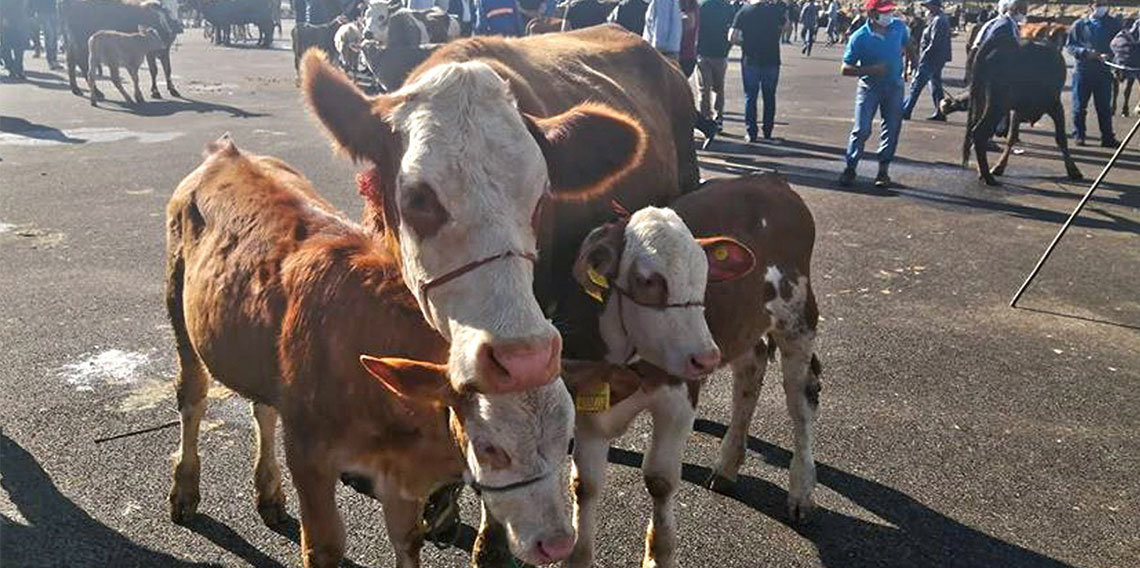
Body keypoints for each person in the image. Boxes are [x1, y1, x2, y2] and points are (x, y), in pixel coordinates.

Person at [838, 0, 909, 188]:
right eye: (884, 12)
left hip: (894, 86)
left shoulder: (899, 28)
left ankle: (883, 170)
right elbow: (845, 68)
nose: (889, 15)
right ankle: (850, 167)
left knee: (892, 128)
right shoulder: (859, 37)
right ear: (871, 14)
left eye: (890, 11)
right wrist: (871, 69)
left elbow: (908, 45)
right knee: (862, 129)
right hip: (869, 87)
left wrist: (913, 65)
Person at [1067, 1, 1122, 147]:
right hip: (1083, 71)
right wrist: (1085, 52)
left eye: (1105, 4)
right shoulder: (1079, 24)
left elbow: (1121, 45)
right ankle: (1079, 134)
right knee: (1079, 106)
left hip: (1103, 72)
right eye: (1099, 4)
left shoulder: (1114, 24)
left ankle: (1107, 137)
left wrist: (1110, 56)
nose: (1102, 7)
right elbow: (1070, 46)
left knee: (1104, 107)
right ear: (1091, 5)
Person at [730, 0, 785, 143]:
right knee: (769, 96)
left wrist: (745, 43)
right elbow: (787, 26)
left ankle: (751, 132)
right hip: (771, 58)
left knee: (750, 96)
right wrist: (775, 36)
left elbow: (732, 37)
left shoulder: (744, 11)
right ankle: (767, 131)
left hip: (750, 59)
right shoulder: (775, 10)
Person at [902, 0, 951, 121]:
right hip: (936, 58)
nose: (926, 9)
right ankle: (940, 111)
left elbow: (934, 43)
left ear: (934, 6)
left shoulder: (939, 20)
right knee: (935, 86)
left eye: (928, 6)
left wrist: (922, 58)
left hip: (931, 58)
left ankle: (906, 110)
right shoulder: (936, 19)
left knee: (917, 85)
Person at [697, 0, 735, 128]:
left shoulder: (702, 7)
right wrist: (727, 48)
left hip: (703, 52)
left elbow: (696, 28)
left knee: (704, 90)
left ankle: (705, 119)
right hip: (720, 53)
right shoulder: (728, 8)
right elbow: (732, 30)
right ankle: (718, 117)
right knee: (719, 88)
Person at [1111, 18, 1140, 117]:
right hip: (1132, 64)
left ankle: (1117, 105)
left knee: (1117, 85)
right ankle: (1123, 106)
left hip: (1122, 63)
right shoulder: (1132, 35)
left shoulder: (1122, 35)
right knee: (1128, 86)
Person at [0, 0, 28, 80]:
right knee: (6, 47)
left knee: (18, 47)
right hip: (7, 21)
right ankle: (11, 67)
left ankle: (18, 69)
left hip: (19, 20)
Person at [29, 0, 59, 71]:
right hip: (42, 12)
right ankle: (51, 60)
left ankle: (54, 59)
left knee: (54, 35)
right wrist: (32, 11)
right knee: (49, 35)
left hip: (53, 11)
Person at [679, 0, 699, 77]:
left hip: (683, 56)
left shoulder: (690, 8)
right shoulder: (694, 6)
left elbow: (689, 25)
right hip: (689, 55)